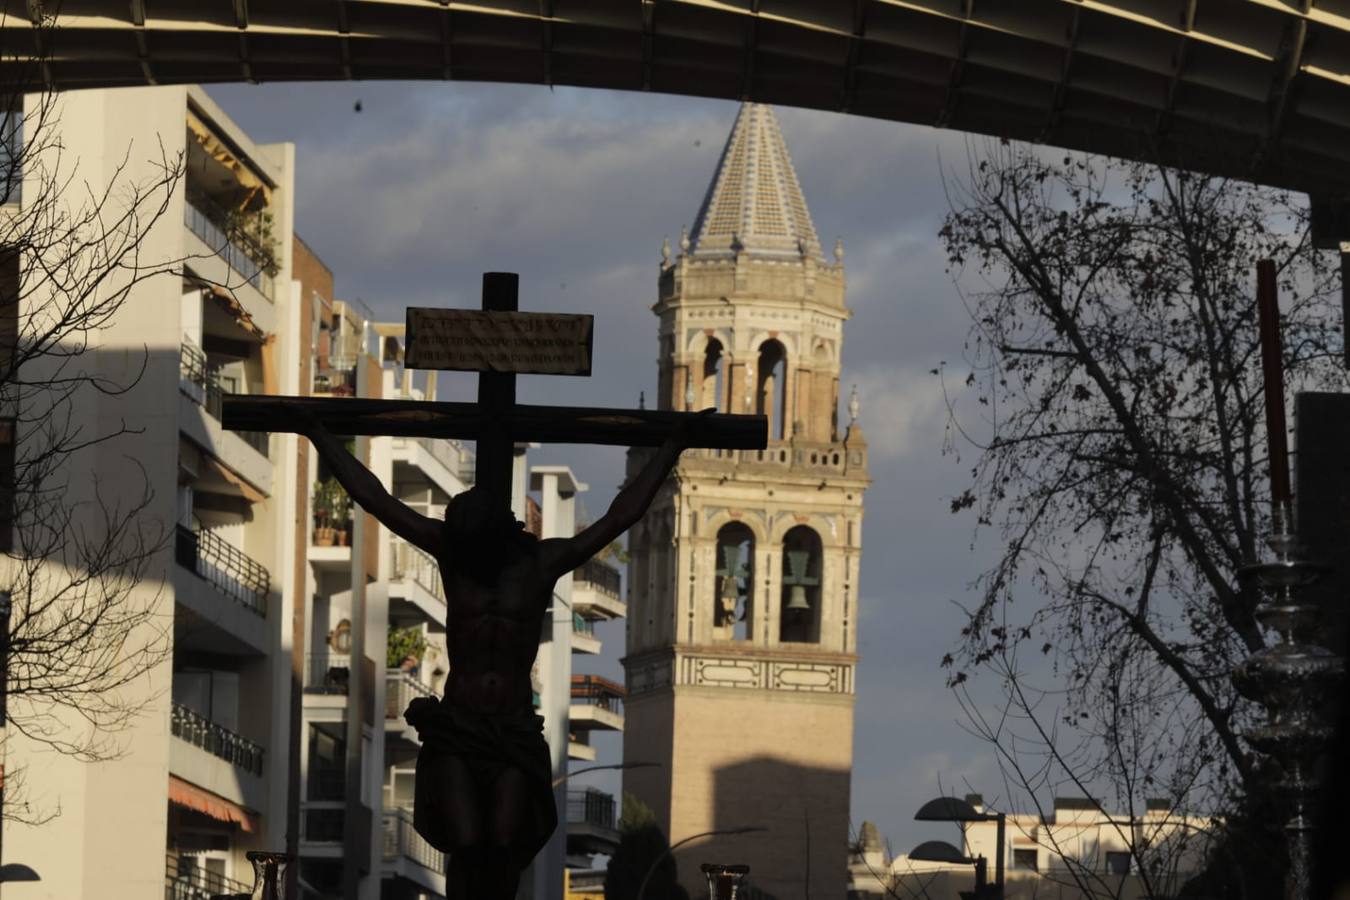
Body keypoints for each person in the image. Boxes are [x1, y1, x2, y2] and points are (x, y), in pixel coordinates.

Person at [297, 410, 703, 900]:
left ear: (494, 532)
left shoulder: (540, 564)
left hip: (512, 727)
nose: (471, 554)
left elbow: (621, 516)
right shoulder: (453, 552)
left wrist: (672, 447)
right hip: (460, 724)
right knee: (467, 844)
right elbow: (375, 498)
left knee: (506, 845)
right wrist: (319, 431)